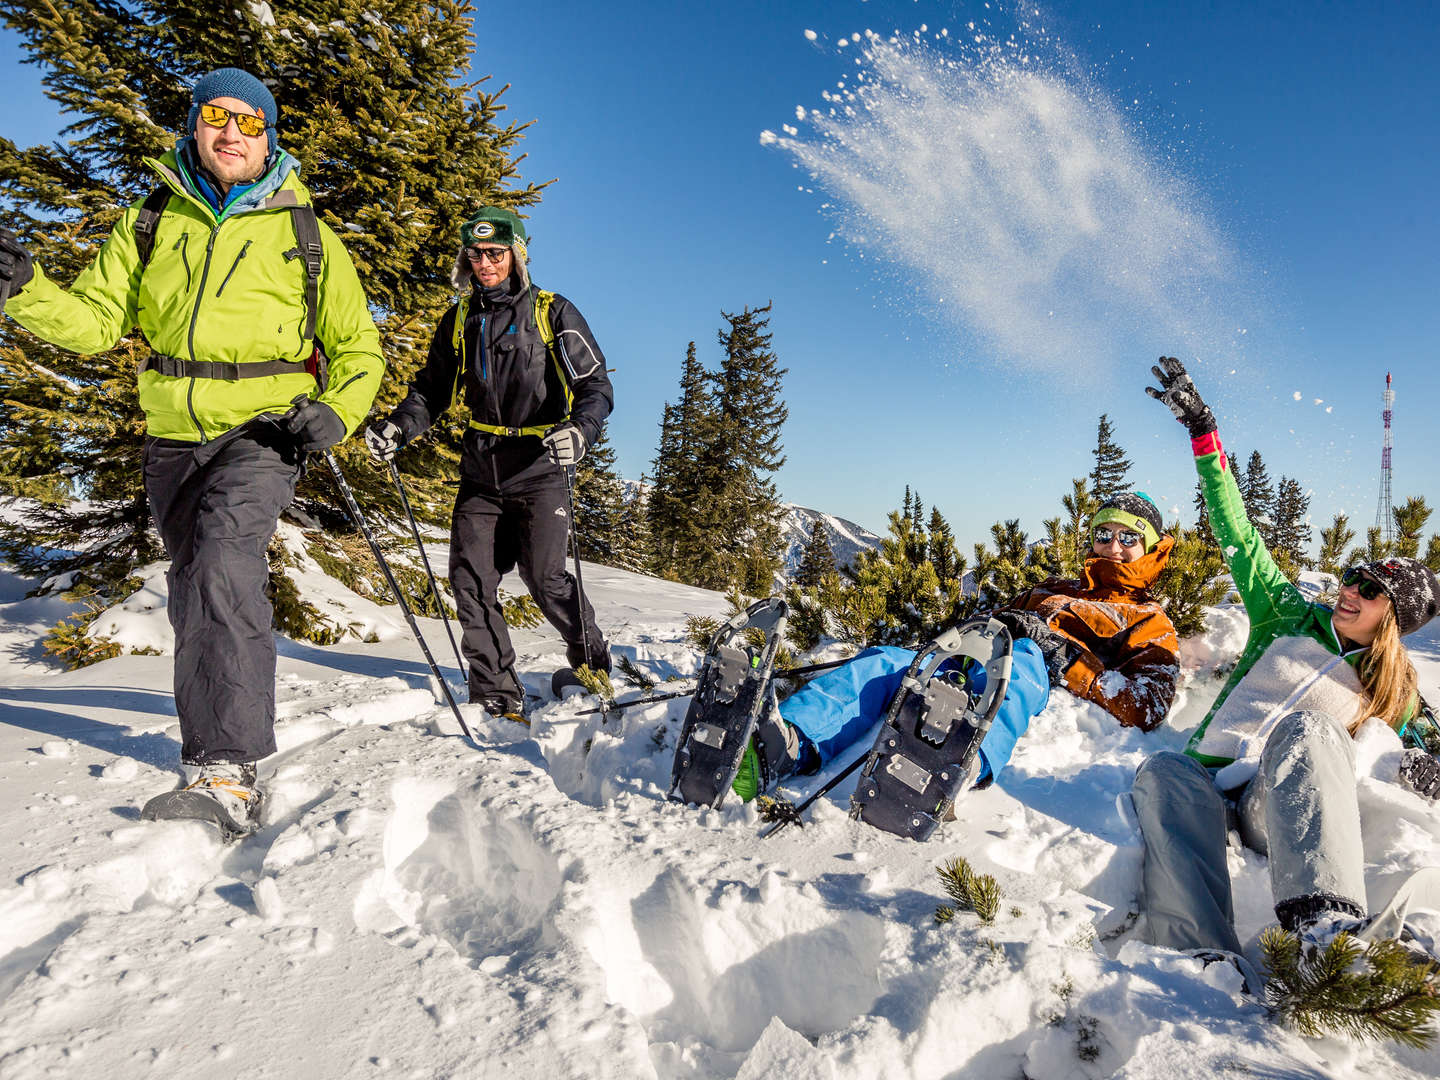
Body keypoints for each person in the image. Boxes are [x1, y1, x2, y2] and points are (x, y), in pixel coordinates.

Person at [0, 68, 384, 835]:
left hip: (264, 431)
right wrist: (25, 289)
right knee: (192, 581)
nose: (232, 132)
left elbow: (358, 346)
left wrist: (335, 414)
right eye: (217, 115)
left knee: (220, 558)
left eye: (249, 121)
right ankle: (220, 728)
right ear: (195, 126)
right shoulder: (150, 219)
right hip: (174, 435)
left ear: (270, 136)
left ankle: (225, 768)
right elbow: (95, 320)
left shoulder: (305, 232)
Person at [1133, 356, 1440, 1022]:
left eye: (1370, 591)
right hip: (1209, 791)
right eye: (1353, 576)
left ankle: (1323, 930)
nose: (1350, 590)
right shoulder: (1284, 613)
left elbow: (1423, 753)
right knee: (1160, 768)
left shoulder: (1393, 689)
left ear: (1395, 618)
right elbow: (1236, 532)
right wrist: (1203, 434)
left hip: (1276, 812)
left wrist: (1423, 766)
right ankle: (1200, 959)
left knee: (1307, 730)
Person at [733, 492, 1182, 804]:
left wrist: (1068, 662)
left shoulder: (1148, 619)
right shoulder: (1052, 588)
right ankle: (786, 745)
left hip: (1033, 677)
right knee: (888, 660)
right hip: (975, 656)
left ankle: (955, 770)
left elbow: (1148, 706)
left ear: (1149, 548)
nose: (1113, 546)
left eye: (1128, 537)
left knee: (1023, 659)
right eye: (1104, 534)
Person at [364, 207, 614, 721]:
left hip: (541, 465)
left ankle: (592, 661)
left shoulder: (552, 312)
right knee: (471, 578)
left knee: (543, 578)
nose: (484, 263)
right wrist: (399, 426)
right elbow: (431, 391)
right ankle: (495, 689)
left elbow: (596, 387)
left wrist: (580, 431)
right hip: (482, 468)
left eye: (495, 253)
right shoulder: (460, 320)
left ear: (517, 255)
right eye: (475, 254)